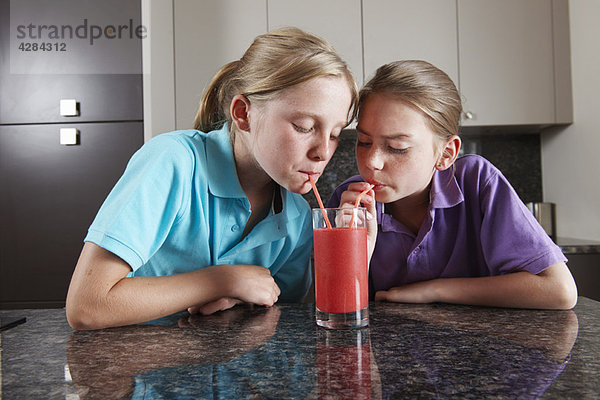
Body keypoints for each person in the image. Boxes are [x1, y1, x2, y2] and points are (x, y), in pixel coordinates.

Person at [66, 27, 358, 330]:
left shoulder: (296, 217)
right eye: (303, 126)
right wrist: (222, 281)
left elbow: (281, 313)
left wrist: (244, 298)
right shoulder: (172, 162)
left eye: (335, 134)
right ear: (243, 113)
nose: (324, 152)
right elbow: (87, 306)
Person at [328, 60, 577, 309]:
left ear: (446, 153)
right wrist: (358, 250)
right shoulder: (347, 202)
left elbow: (559, 290)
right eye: (363, 141)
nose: (372, 162)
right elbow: (335, 313)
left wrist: (434, 290)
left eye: (397, 148)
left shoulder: (477, 182)